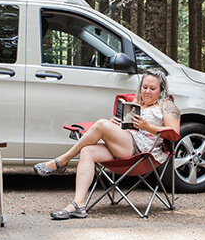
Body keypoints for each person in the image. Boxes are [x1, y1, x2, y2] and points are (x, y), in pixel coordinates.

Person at [33, 69, 181, 220]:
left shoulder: (167, 105)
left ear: (161, 90)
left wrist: (147, 127)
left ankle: (62, 160)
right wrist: (114, 125)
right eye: (144, 87)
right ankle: (78, 204)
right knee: (87, 151)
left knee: (101, 124)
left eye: (152, 88)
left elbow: (174, 133)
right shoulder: (135, 103)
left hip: (142, 153)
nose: (147, 92)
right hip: (124, 144)